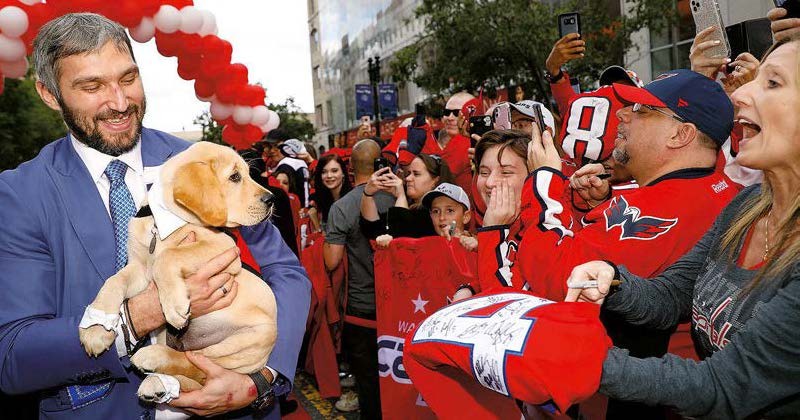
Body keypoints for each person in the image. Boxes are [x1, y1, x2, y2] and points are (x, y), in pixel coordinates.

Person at [0, 14, 310, 419]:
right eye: (92, 86)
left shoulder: (199, 164)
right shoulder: (21, 194)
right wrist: (139, 316)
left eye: (128, 78)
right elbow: (13, 353)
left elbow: (286, 272)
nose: (119, 102)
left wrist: (261, 378)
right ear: (50, 94)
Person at [565, 36, 800, 418]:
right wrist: (611, 280)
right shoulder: (745, 206)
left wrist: (576, 361)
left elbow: (722, 386)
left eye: (772, 82)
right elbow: (672, 296)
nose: (741, 95)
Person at [323, 139, 394, 418]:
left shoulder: (342, 207)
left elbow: (332, 261)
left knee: (368, 384)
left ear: (350, 168)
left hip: (360, 307)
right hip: (399, 305)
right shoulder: (401, 196)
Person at [361, 154, 454, 245]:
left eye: (416, 174)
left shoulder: (436, 214)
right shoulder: (408, 207)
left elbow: (400, 240)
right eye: (408, 173)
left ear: (435, 181)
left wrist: (401, 196)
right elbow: (372, 230)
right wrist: (368, 193)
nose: (408, 178)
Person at [420, 182, 477, 251]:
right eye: (436, 211)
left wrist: (478, 248)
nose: (441, 217)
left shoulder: (477, 244)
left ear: (466, 217)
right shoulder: (427, 247)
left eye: (450, 210)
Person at [308, 153, 352, 232]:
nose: (329, 175)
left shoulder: (353, 199)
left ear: (343, 173)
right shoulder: (319, 201)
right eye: (324, 172)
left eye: (334, 171)